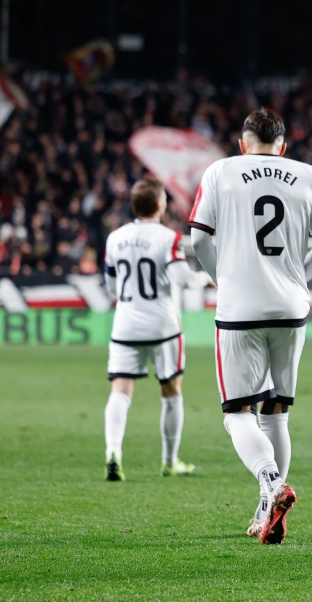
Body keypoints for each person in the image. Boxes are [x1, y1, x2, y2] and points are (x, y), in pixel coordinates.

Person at [189, 109, 312, 545]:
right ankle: (264, 509)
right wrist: (296, 279)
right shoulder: (309, 175)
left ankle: (272, 484)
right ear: (283, 146)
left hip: (240, 307)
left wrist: (223, 279)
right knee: (276, 411)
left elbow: (198, 238)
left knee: (238, 413)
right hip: (290, 308)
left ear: (242, 144)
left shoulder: (221, 171)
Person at [102, 177, 209, 482]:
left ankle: (113, 452)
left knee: (120, 391)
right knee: (171, 391)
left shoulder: (115, 238)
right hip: (163, 327)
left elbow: (112, 287)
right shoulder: (168, 238)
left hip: (125, 325)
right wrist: (206, 278)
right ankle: (170, 461)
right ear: (160, 205)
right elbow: (183, 279)